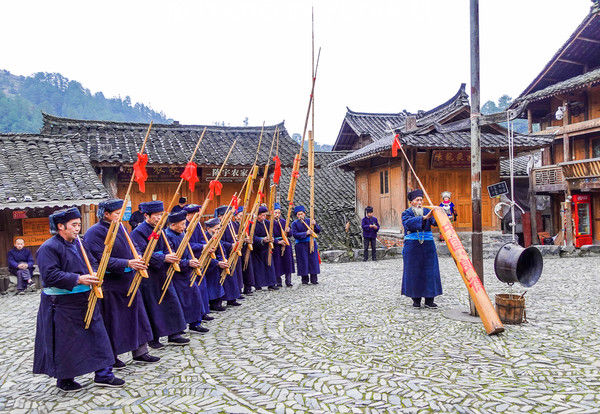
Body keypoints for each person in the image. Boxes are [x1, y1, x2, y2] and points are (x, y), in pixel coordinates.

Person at [33, 207, 124, 391]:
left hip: (86, 299)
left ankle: (104, 374)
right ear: (60, 226)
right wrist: (77, 279)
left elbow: (93, 263)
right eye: (73, 225)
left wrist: (97, 272)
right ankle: (65, 378)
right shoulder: (48, 248)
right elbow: (49, 276)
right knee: (67, 343)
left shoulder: (79, 244)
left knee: (99, 336)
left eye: (79, 225)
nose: (77, 228)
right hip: (62, 304)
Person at [84, 199, 158, 369]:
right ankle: (113, 355)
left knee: (137, 316)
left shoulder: (122, 227)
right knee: (114, 321)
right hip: (111, 282)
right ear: (106, 214)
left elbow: (134, 247)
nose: (120, 216)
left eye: (120, 213)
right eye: (117, 213)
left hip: (129, 280)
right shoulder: (94, 233)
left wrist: (138, 258)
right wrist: (127, 263)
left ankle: (140, 351)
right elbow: (100, 259)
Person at [130, 201, 190, 349]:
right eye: (156, 215)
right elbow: (141, 253)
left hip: (162, 271)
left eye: (160, 215)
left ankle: (174, 333)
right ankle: (154, 338)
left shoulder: (160, 229)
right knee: (152, 305)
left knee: (171, 301)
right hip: (149, 274)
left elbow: (166, 247)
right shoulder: (138, 232)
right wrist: (163, 258)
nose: (159, 218)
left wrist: (170, 255)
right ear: (146, 215)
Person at [164, 209, 209, 333]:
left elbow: (188, 250)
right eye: (182, 224)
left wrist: (192, 260)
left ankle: (196, 322)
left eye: (185, 223)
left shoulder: (182, 234)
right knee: (180, 301)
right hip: (176, 274)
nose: (184, 227)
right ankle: (180, 326)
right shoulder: (167, 236)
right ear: (173, 225)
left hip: (187, 271)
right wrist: (186, 263)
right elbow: (171, 256)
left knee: (194, 296)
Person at [401, 189, 443, 308]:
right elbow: (408, 224)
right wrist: (424, 218)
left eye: (421, 200)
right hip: (412, 247)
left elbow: (435, 222)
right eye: (417, 200)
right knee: (414, 272)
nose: (420, 202)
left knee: (430, 271)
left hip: (428, 245)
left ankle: (430, 300)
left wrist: (441, 213)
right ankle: (416, 300)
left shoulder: (428, 211)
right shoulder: (406, 213)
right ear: (411, 202)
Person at [215, 205, 242, 306]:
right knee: (224, 277)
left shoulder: (230, 224)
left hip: (232, 252)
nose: (230, 217)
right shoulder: (219, 226)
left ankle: (232, 298)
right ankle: (221, 300)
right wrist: (230, 245)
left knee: (232, 275)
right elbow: (218, 240)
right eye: (228, 215)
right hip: (223, 252)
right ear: (221, 216)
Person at [203, 217, 230, 310]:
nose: (217, 231)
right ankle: (213, 303)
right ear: (208, 229)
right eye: (216, 229)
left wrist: (223, 259)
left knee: (218, 284)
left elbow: (221, 250)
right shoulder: (205, 237)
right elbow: (205, 255)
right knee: (211, 285)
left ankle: (218, 302)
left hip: (217, 265)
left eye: (219, 228)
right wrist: (217, 263)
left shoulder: (217, 237)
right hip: (209, 266)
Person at [291, 205, 321, 285]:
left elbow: (318, 231)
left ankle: (314, 279)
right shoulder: (294, 224)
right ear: (297, 215)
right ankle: (304, 280)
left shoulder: (310, 220)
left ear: (304, 213)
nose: (300, 216)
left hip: (311, 243)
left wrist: (315, 224)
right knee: (303, 261)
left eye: (301, 214)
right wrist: (306, 233)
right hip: (300, 245)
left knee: (313, 261)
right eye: (298, 214)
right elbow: (295, 234)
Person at [251, 206, 278, 291]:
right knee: (258, 267)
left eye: (265, 215)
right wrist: (262, 240)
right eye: (262, 215)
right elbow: (252, 236)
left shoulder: (267, 223)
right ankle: (258, 284)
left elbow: (272, 233)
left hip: (267, 248)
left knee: (269, 265)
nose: (264, 217)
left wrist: (272, 238)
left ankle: (271, 283)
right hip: (257, 248)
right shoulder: (253, 224)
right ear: (258, 215)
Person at [272, 203, 295, 287]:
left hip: (286, 243)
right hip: (277, 245)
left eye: (279, 213)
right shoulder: (269, 223)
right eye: (275, 212)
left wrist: (288, 231)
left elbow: (291, 234)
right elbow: (270, 236)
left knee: (287, 262)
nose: (277, 215)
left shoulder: (284, 221)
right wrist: (277, 242)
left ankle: (288, 281)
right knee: (277, 263)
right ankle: (278, 281)